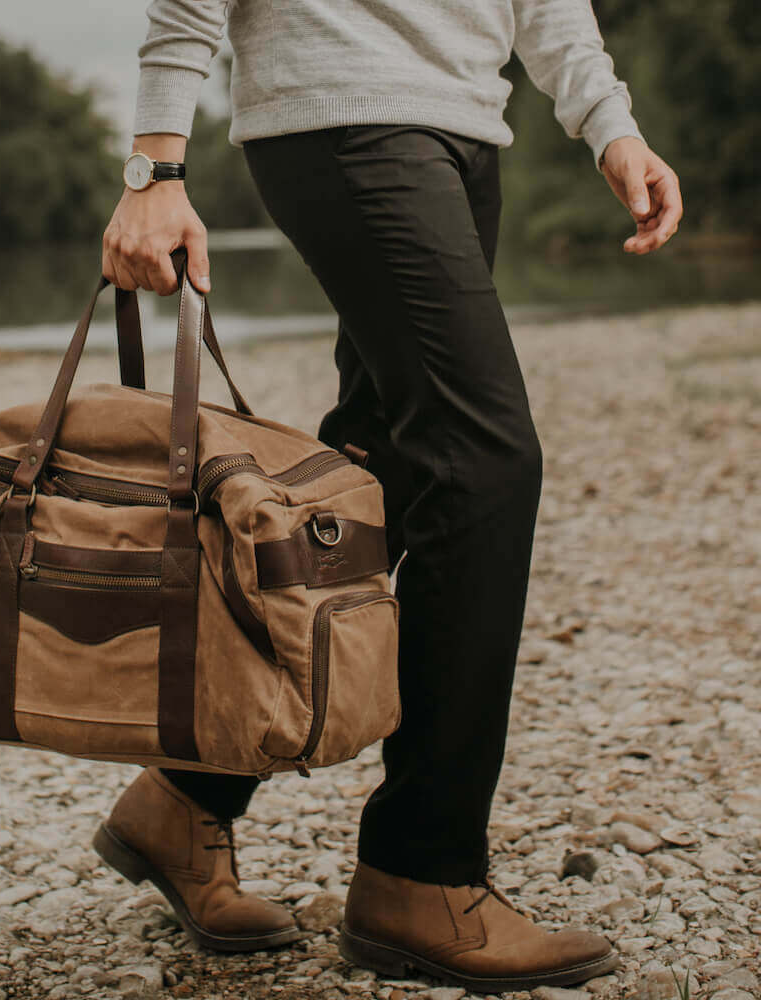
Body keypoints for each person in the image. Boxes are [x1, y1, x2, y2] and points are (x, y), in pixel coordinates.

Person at [97, 0, 683, 990]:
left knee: (387, 473)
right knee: (484, 462)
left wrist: (609, 124)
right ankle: (421, 871)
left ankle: (185, 802)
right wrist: (156, 164)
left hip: (464, 123)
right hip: (342, 114)